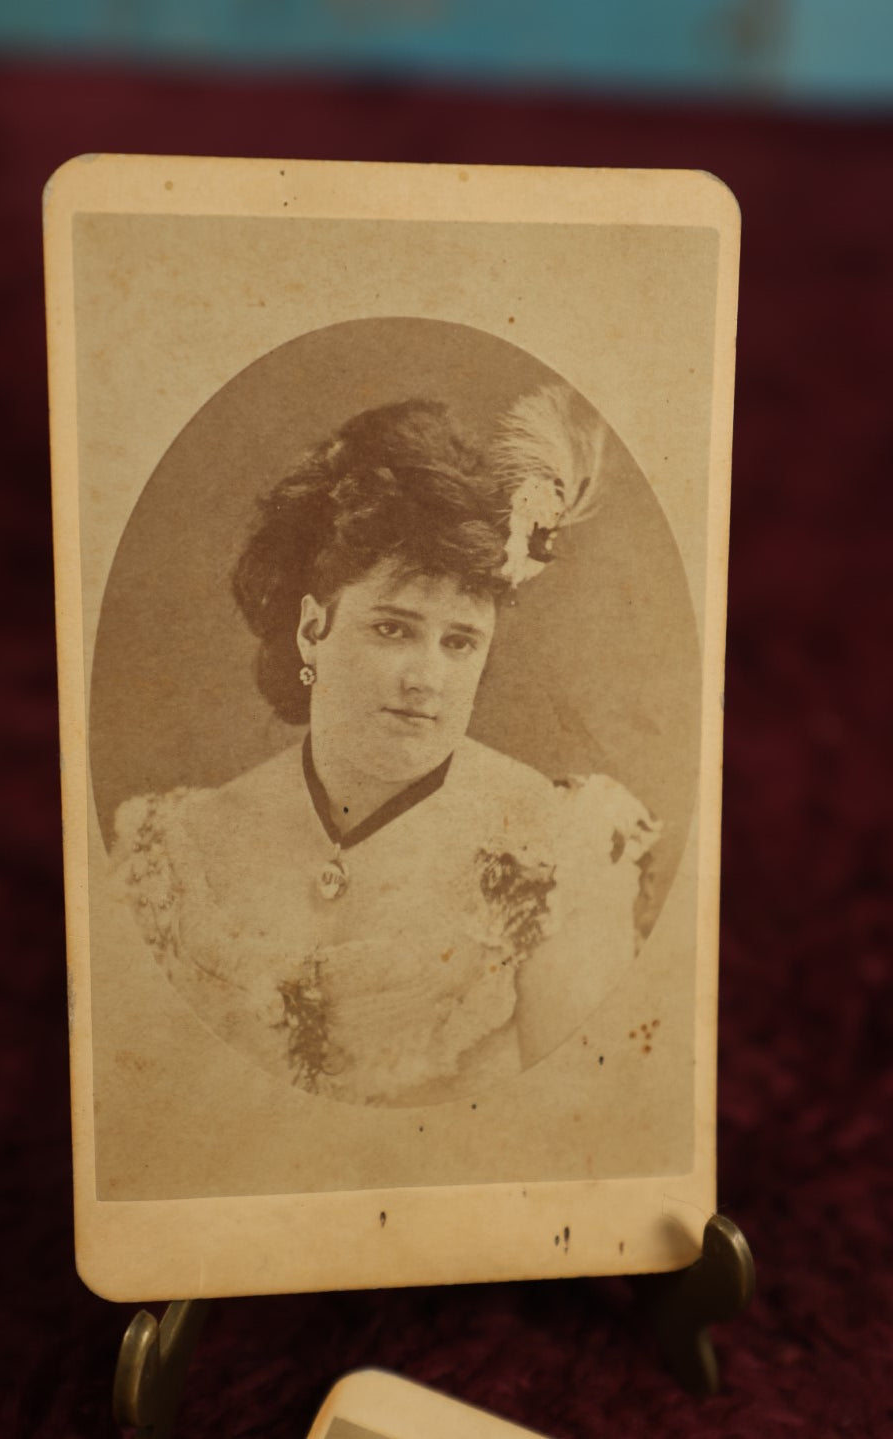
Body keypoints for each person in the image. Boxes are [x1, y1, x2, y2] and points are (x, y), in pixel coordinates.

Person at [111, 386, 660, 1106]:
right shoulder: (168, 854)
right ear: (313, 629)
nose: (427, 678)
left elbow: (580, 1137)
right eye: (392, 628)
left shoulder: (560, 851)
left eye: (460, 641)